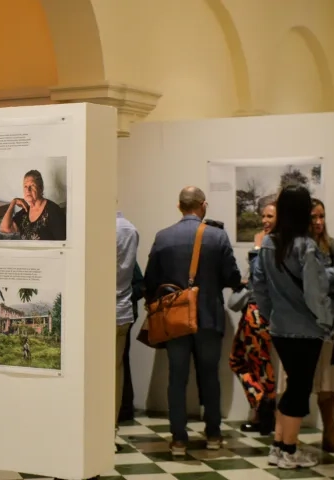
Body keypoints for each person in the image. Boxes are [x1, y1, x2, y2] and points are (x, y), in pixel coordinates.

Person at [144, 186, 241, 456]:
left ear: (179, 207)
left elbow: (151, 281)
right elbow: (232, 277)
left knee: (177, 378)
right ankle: (212, 434)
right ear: (203, 205)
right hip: (208, 318)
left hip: (175, 320)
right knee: (209, 377)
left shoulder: (163, 237)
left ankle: (178, 439)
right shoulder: (217, 236)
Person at [252, 185, 334, 470]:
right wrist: (327, 321)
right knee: (299, 390)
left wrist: (270, 316)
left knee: (293, 386)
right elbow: (315, 293)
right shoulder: (306, 245)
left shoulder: (267, 243)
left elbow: (260, 288)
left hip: (280, 327)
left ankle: (279, 446)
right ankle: (288, 449)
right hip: (306, 329)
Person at [229, 203, 277, 435]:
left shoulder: (269, 243)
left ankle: (264, 409)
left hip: (259, 311)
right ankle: (264, 408)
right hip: (257, 310)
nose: (265, 220)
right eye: (263, 216)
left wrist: (257, 248)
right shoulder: (272, 241)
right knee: (248, 361)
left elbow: (260, 277)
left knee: (257, 363)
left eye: (270, 216)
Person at [308, 198, 334, 453]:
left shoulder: (332, 246)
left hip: (330, 322)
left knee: (328, 383)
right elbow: (312, 281)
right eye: (313, 217)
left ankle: (329, 431)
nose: (319, 222)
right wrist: (332, 274)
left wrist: (331, 276)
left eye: (322, 216)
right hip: (302, 322)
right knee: (298, 381)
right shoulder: (298, 246)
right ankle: (287, 436)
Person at [115, 211, 139, 451]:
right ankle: (110, 431)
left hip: (101, 310)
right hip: (122, 309)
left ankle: (100, 431)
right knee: (116, 371)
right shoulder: (129, 229)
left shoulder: (101, 227)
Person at [0, 170, 66, 241]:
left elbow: (62, 243)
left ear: (41, 188)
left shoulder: (53, 211)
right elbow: (5, 229)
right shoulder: (25, 211)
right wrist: (13, 202)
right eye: (25, 186)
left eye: (32, 185)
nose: (28, 189)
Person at [118, 262, 145, 424]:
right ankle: (123, 408)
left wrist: (123, 296)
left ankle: (125, 408)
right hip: (125, 313)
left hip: (124, 314)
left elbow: (140, 285)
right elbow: (140, 284)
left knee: (121, 361)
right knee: (121, 361)